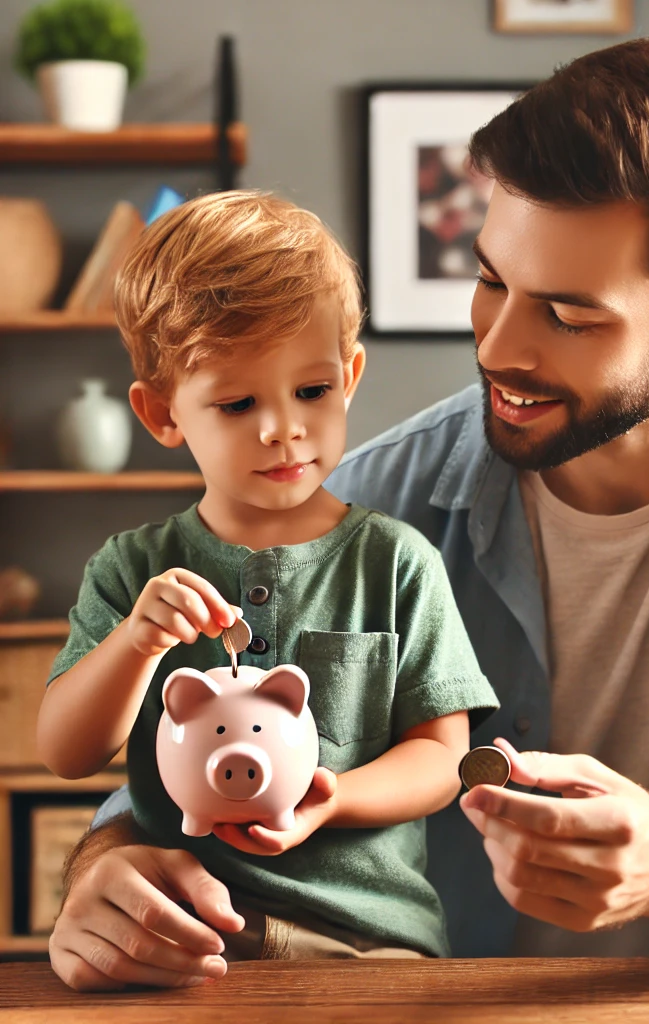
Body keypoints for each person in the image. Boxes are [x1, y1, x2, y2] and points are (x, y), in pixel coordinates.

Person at [52, 36, 649, 987]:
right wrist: (106, 870)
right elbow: (193, 752)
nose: (499, 348)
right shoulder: (366, 504)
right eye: (490, 280)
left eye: (570, 315)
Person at [38, 191, 498, 990]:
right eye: (238, 402)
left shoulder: (396, 564)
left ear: (350, 376)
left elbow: (442, 759)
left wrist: (333, 798)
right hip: (183, 942)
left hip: (370, 946)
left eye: (312, 392)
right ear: (161, 414)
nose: (282, 428)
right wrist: (139, 642)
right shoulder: (132, 569)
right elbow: (67, 752)